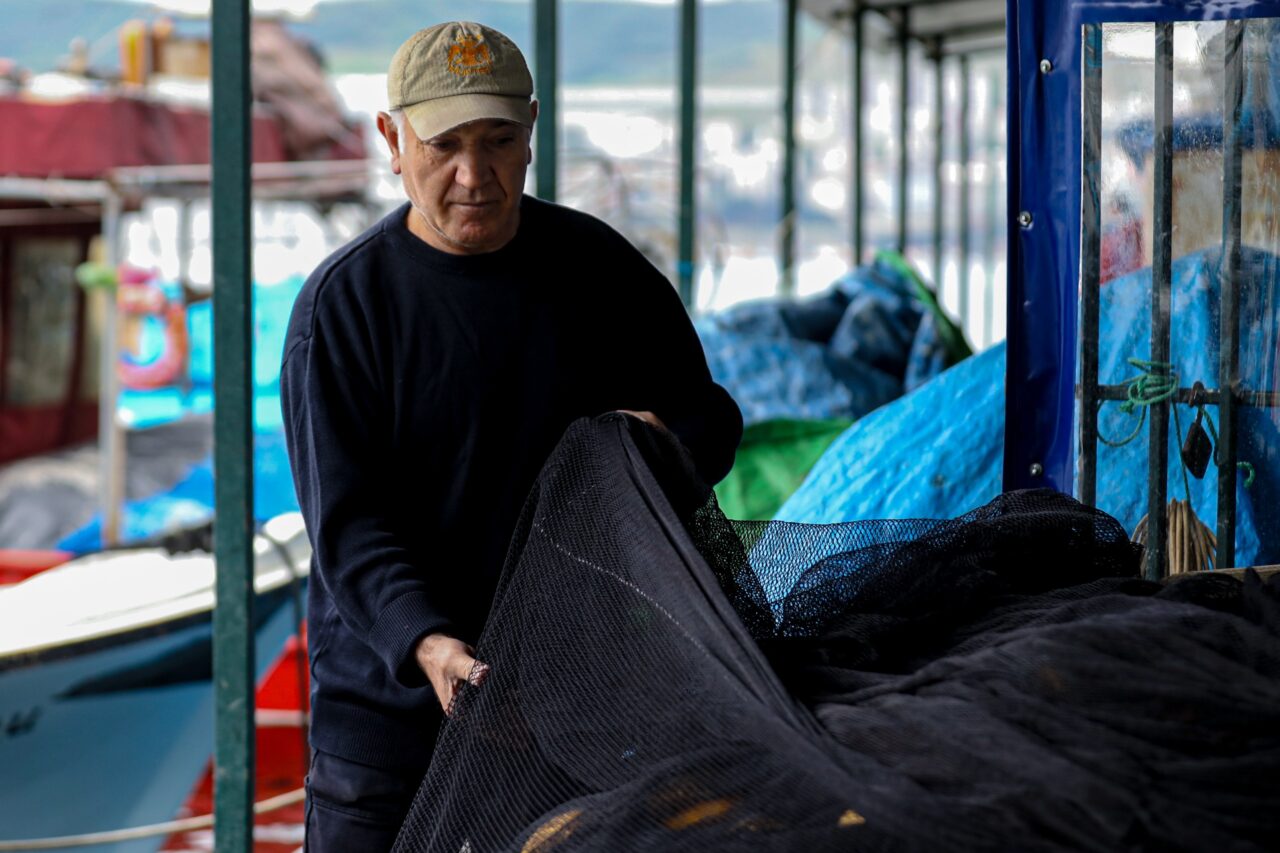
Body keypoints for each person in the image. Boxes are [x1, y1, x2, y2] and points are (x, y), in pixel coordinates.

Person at [280, 20, 742, 852]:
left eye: (497, 141)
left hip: (567, 714)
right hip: (387, 725)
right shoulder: (344, 307)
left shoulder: (600, 270)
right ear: (392, 139)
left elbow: (710, 419)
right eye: (445, 145)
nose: (474, 175)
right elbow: (349, 526)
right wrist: (427, 641)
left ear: (532, 130)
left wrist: (661, 442)